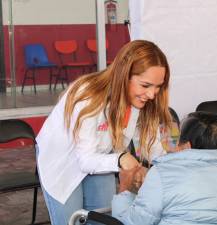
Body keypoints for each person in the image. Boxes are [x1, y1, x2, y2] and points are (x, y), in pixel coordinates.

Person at [36, 40, 173, 225]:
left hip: (101, 156)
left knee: (102, 220)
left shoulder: (141, 101)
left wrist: (178, 165)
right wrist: (120, 159)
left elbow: (154, 147)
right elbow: (85, 160)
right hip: (64, 161)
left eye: (158, 87)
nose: (152, 94)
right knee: (72, 221)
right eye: (146, 85)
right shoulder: (87, 96)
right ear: (124, 75)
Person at [112, 111, 217, 225]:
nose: (175, 147)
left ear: (187, 146)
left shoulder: (162, 174)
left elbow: (131, 223)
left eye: (178, 141)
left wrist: (124, 188)